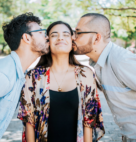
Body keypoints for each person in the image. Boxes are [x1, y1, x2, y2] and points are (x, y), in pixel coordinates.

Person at [17, 21, 105, 142]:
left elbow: (89, 120)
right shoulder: (33, 76)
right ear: (48, 42)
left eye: (65, 34)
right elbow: (28, 120)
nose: (60, 38)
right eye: (54, 35)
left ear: (72, 41)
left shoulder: (85, 74)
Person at [73, 13, 136, 142]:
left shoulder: (120, 61)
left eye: (78, 33)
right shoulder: (96, 63)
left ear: (96, 38)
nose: (73, 37)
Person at [0, 12, 49, 142]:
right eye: (41, 32)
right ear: (26, 38)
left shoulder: (19, 74)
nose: (47, 36)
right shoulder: (3, 75)